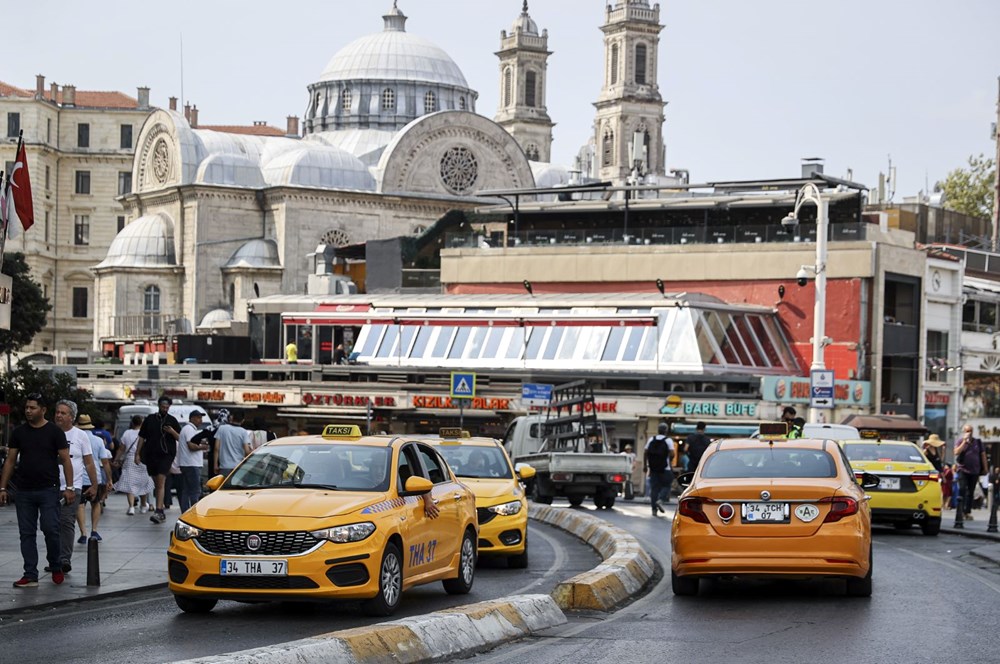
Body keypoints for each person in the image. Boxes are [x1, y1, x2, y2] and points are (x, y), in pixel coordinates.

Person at [0, 393, 74, 587]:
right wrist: (3, 487)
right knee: (26, 533)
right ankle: (30, 574)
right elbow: (10, 461)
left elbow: (66, 460)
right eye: (26, 407)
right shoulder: (19, 432)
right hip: (24, 491)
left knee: (51, 529)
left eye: (32, 408)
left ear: (43, 410)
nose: (28, 411)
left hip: (48, 489)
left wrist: (70, 487)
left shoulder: (54, 432)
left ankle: (56, 565)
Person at [53, 400, 98, 574]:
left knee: (66, 522)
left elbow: (89, 462)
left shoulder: (80, 435)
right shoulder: (49, 432)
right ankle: (54, 558)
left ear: (71, 417)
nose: (58, 415)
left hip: (73, 487)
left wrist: (94, 484)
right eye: (57, 412)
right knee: (50, 525)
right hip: (49, 486)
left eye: (63, 413)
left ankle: (64, 559)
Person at [134, 396, 181, 525]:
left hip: (166, 455)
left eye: (167, 407)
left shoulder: (172, 420)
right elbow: (141, 437)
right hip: (151, 455)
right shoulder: (150, 419)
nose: (165, 409)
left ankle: (159, 510)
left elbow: (180, 438)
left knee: (160, 481)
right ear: (159, 406)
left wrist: (172, 431)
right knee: (157, 482)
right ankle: (160, 509)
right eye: (163, 407)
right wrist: (137, 454)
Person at [75, 414, 113, 543]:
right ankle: (94, 530)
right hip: (95, 477)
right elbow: (105, 462)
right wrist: (109, 479)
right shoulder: (98, 440)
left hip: (79, 477)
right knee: (96, 503)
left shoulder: (76, 439)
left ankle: (83, 533)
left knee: (80, 505)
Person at [114, 415, 154, 515]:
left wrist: (117, 459)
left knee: (130, 483)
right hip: (142, 459)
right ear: (142, 423)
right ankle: (143, 505)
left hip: (130, 459)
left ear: (132, 423)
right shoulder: (145, 433)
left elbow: (121, 448)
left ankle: (131, 507)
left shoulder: (127, 433)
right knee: (143, 482)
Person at [177, 410, 210, 513]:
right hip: (191, 464)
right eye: (199, 418)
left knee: (186, 490)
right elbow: (191, 446)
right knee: (195, 491)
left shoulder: (186, 429)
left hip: (186, 464)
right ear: (192, 418)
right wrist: (203, 447)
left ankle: (185, 512)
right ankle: (194, 512)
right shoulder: (189, 429)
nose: (201, 420)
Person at [954, 425, 988, 520]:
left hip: (974, 471)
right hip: (963, 469)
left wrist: (985, 468)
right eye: (967, 431)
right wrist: (964, 442)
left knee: (970, 492)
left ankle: (967, 512)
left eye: (970, 430)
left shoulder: (978, 442)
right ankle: (960, 510)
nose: (969, 432)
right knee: (962, 489)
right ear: (964, 432)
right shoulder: (960, 441)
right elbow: (956, 452)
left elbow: (983, 455)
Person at [644, 423, 674, 516]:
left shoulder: (651, 439)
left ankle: (654, 510)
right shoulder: (668, 440)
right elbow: (672, 453)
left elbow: (645, 452)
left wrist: (645, 465)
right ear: (666, 430)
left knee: (654, 489)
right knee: (667, 485)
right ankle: (660, 500)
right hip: (665, 468)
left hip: (653, 468)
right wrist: (669, 461)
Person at [214, 410, 252, 478]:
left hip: (224, 467)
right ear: (243, 420)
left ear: (232, 417)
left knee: (224, 485)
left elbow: (216, 448)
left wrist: (215, 465)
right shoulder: (243, 432)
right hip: (238, 467)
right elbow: (247, 451)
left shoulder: (222, 428)